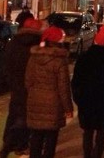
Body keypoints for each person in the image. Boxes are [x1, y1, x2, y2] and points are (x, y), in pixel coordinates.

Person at [71, 25, 104, 158]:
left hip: (87, 104)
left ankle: (87, 155)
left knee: (87, 133)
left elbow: (76, 82)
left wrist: (79, 99)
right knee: (102, 135)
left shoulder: (84, 59)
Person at [0, 18, 43, 158]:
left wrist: (9, 81)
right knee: (24, 119)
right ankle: (10, 146)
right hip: (30, 86)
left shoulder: (13, 43)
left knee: (14, 115)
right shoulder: (38, 45)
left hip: (15, 86)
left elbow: (5, 63)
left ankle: (11, 144)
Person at [25, 25, 73, 158]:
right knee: (50, 141)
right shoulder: (59, 61)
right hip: (53, 105)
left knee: (36, 138)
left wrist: (34, 94)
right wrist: (68, 108)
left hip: (35, 102)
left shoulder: (33, 57)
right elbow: (63, 87)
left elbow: (28, 81)